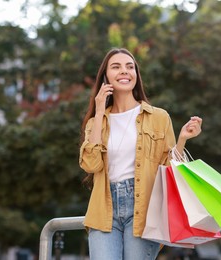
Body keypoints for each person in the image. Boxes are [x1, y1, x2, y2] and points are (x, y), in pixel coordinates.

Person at [79, 48, 203, 260]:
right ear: (106, 76)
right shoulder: (96, 122)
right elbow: (91, 165)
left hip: (144, 209)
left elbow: (169, 168)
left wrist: (182, 139)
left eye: (130, 67)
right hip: (103, 209)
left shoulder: (159, 117)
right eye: (116, 67)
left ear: (136, 74)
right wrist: (99, 112)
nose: (124, 71)